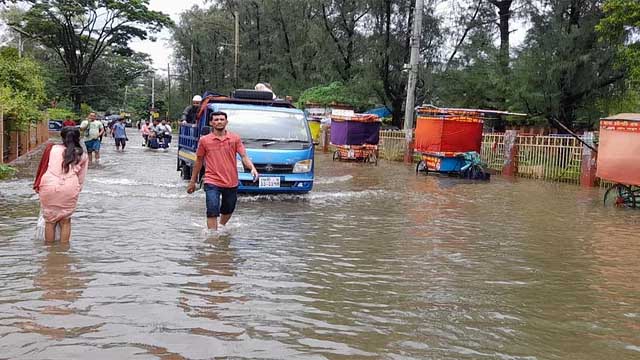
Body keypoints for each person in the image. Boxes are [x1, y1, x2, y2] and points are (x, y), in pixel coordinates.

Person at [187, 111, 259, 230]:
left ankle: (221, 226)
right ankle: (213, 238)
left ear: (226, 122)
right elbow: (199, 160)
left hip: (231, 181)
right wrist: (193, 181)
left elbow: (244, 156)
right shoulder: (205, 140)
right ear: (211, 123)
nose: (219, 121)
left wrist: (252, 168)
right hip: (212, 180)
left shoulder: (235, 139)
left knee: (229, 208)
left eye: (221, 119)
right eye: (216, 120)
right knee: (212, 208)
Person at [34, 127, 88, 243]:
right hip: (70, 187)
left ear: (62, 137)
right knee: (66, 221)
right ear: (78, 138)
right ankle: (63, 253)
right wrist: (76, 190)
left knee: (50, 221)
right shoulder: (83, 155)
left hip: (48, 185)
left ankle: (50, 253)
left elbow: (44, 166)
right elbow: (81, 179)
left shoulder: (52, 149)